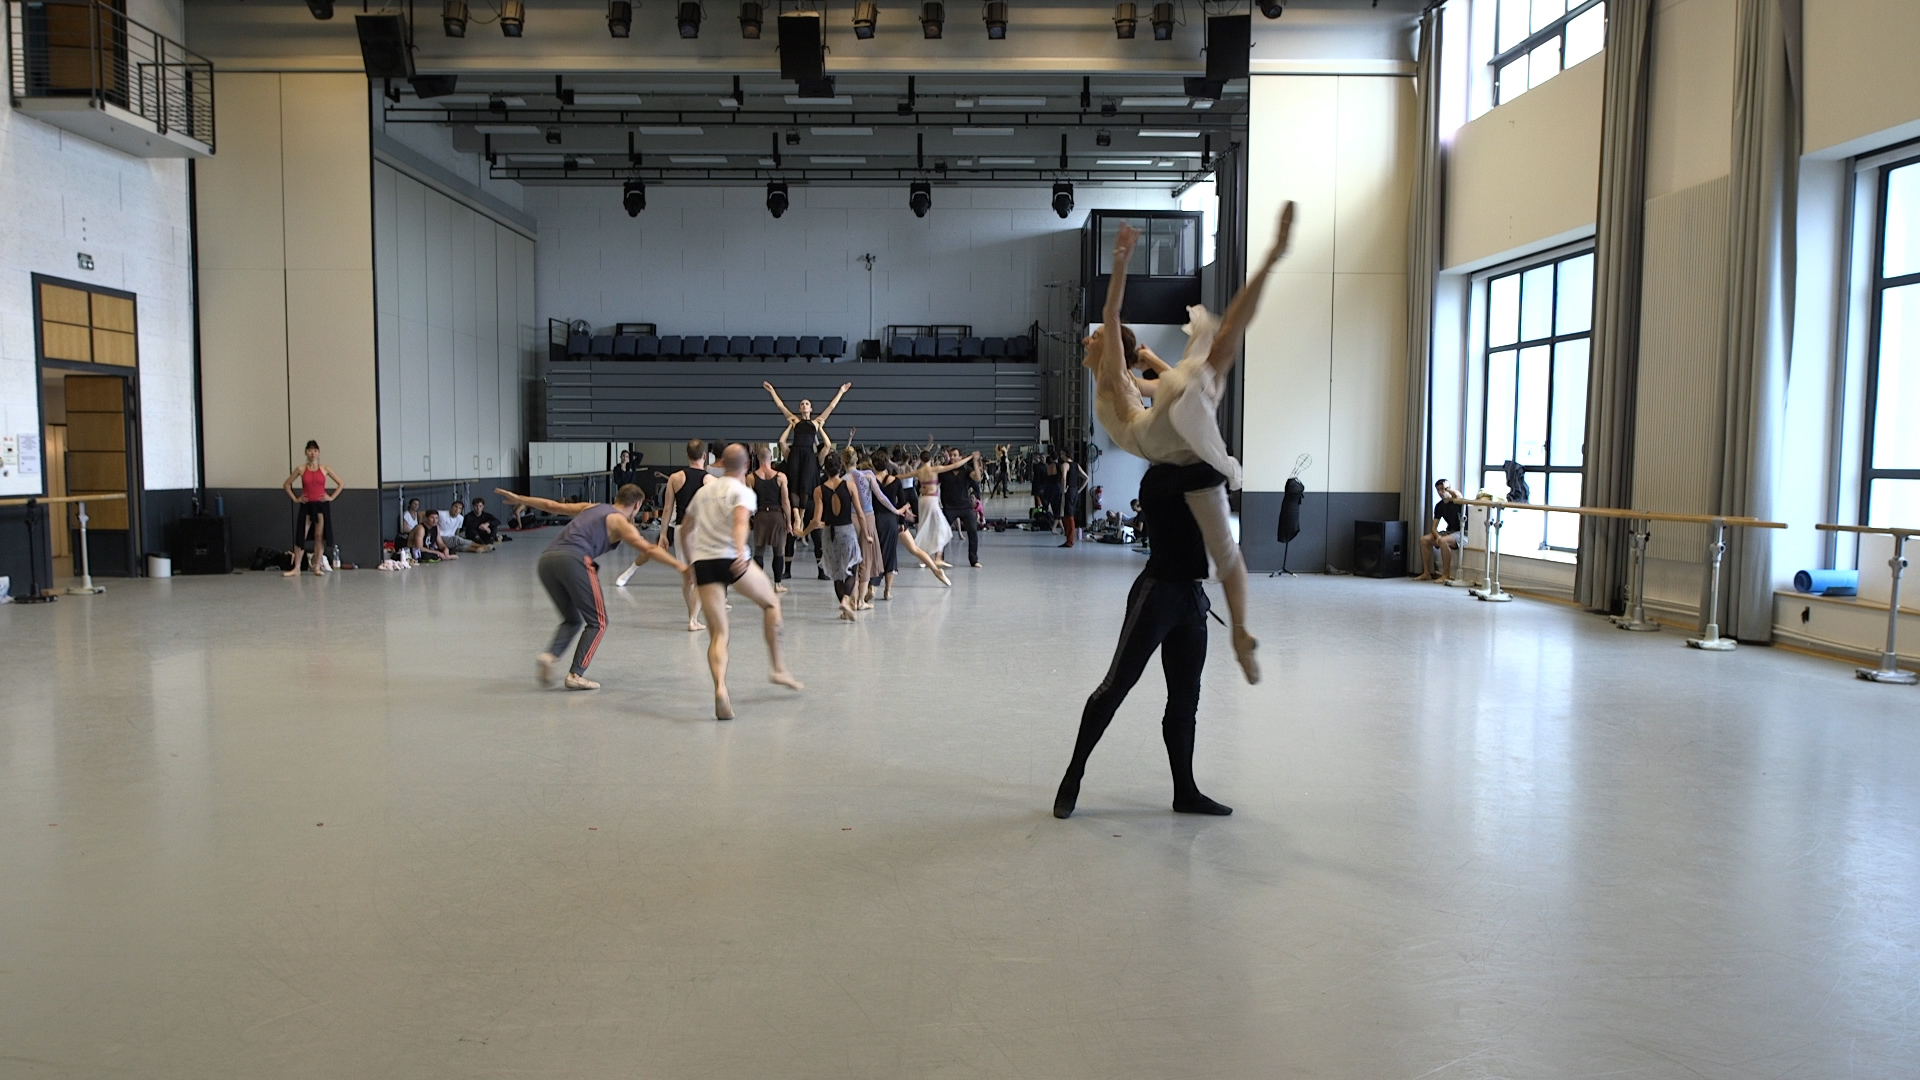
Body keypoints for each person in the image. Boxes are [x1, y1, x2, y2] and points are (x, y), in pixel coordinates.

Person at [1088, 206, 1295, 685]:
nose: (1089, 340)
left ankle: (1270, 258)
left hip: (1159, 437)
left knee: (1218, 350)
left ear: (1112, 347)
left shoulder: (1112, 376)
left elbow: (1112, 314)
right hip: (1178, 442)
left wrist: (1120, 262)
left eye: (1095, 338)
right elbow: (1164, 387)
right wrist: (1157, 362)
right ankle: (1239, 634)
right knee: (1227, 554)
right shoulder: (1124, 381)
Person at [1053, 461, 1234, 820]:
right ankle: (1073, 776)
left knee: (1185, 700)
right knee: (1114, 687)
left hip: (1191, 598)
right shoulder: (1160, 477)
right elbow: (1222, 473)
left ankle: (1185, 791)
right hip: (1156, 596)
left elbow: (1222, 475)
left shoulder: (1194, 470)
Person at [494, 483, 686, 691]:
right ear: (637, 505)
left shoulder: (592, 507)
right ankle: (576, 675)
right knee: (599, 622)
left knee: (572, 620)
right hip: (575, 560)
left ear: (618, 499)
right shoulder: (619, 522)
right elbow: (648, 549)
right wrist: (681, 566)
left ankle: (549, 656)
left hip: (547, 560)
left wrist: (520, 499)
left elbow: (552, 506)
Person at [682, 443, 805, 720]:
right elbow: (740, 522)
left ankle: (720, 688)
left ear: (721, 463)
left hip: (704, 563)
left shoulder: (703, 492)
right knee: (771, 603)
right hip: (731, 559)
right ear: (747, 465)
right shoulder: (742, 491)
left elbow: (686, 530)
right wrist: (739, 550)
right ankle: (778, 668)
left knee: (719, 634)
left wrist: (690, 563)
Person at [618, 439, 709, 633]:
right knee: (700, 577)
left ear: (687, 456)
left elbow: (667, 508)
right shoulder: (711, 480)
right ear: (704, 456)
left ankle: (691, 615)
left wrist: (663, 534)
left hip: (681, 529)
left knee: (688, 576)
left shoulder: (675, 478)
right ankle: (693, 618)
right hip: (702, 530)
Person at [766, 381, 852, 578]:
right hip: (797, 454)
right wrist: (772, 391)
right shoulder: (794, 421)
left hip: (808, 456)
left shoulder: (816, 422)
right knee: (795, 484)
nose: (804, 405)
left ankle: (802, 517)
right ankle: (798, 518)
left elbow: (831, 406)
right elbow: (780, 406)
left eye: (807, 404)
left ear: (811, 409)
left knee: (806, 485)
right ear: (800, 409)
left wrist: (841, 391)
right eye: (802, 404)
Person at [805, 453, 864, 622]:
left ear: (825, 469)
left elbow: (816, 520)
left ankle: (845, 610)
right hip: (847, 531)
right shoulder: (850, 486)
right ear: (841, 467)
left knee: (837, 572)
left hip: (829, 533)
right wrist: (866, 533)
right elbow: (860, 514)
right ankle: (846, 599)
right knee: (852, 567)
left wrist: (802, 532)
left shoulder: (819, 490)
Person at [282, 440, 344, 577]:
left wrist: (331, 497)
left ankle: (317, 566)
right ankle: (297, 568)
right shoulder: (301, 469)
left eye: (315, 450)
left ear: (318, 453)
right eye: (310, 450)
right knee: (301, 536)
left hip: (321, 505)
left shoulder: (325, 468)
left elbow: (341, 483)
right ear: (306, 452)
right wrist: (296, 498)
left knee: (319, 536)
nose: (313, 453)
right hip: (306, 505)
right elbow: (286, 484)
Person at [748, 443, 794, 593]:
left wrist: (749, 519)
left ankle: (758, 585)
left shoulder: (751, 478)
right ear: (771, 458)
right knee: (778, 550)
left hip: (760, 515)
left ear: (758, 458)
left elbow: (749, 502)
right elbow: (785, 502)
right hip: (776, 515)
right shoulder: (781, 477)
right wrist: (789, 521)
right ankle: (777, 584)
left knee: (759, 551)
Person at [939, 447, 985, 568]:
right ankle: (939, 558)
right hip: (949, 508)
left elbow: (978, 477)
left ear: (960, 457)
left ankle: (974, 560)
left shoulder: (966, 470)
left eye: (955, 455)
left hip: (965, 507)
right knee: (942, 533)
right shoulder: (944, 470)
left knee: (973, 531)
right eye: (951, 455)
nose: (952, 457)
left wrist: (975, 461)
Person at [1420, 479, 1466, 581]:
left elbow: (1458, 495)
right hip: (1450, 531)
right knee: (1424, 540)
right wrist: (1437, 536)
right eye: (1438, 490)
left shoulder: (1457, 501)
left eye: (1442, 489)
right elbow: (1434, 527)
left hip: (1463, 533)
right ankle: (1427, 573)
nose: (1440, 492)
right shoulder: (1439, 505)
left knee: (1443, 541)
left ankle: (1446, 575)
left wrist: (1447, 489)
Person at [1058, 449, 1088, 548]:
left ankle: (1070, 540)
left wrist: (1063, 489)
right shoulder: (1076, 465)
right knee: (1068, 514)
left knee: (1069, 514)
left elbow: (1064, 478)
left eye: (1062, 454)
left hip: (1068, 490)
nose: (1061, 456)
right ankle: (1068, 537)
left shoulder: (1065, 465)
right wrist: (1079, 490)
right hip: (1074, 491)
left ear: (1066, 454)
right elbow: (1086, 478)